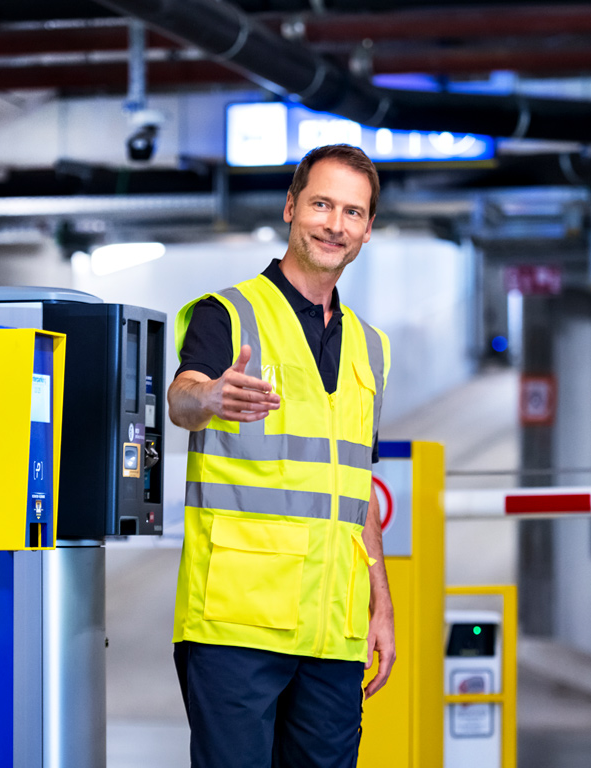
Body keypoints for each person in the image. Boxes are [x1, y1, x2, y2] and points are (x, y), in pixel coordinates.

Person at [167, 144, 395, 768]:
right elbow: (181, 402)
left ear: (367, 229)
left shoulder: (371, 349)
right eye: (322, 204)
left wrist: (380, 601)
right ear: (292, 208)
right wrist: (211, 394)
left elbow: (357, 487)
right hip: (237, 624)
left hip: (334, 631)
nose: (334, 224)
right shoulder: (229, 314)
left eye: (353, 212)